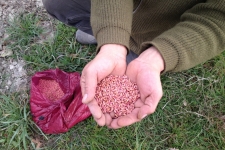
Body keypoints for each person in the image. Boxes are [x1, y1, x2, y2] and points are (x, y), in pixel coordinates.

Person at [42, 0, 225, 129]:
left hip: (171, 29)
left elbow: (220, 17)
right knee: (58, 2)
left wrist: (159, 55)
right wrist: (111, 40)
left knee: (133, 64)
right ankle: (105, 34)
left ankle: (136, 48)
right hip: (119, 8)